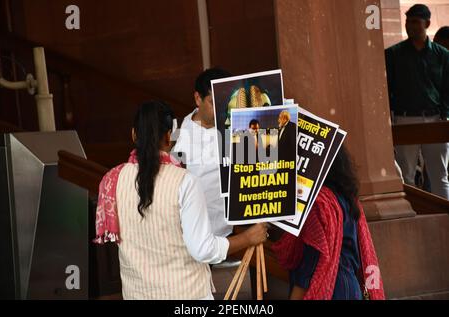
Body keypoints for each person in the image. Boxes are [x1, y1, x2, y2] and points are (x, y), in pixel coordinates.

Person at [94, 101, 268, 300]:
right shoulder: (185, 181)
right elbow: (203, 250)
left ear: (134, 134)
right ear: (169, 137)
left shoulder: (112, 180)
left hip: (137, 294)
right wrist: (248, 238)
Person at [271, 146, 385, 300]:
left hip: (331, 289)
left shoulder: (318, 205)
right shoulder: (348, 199)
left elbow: (310, 265)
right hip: (351, 287)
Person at [172, 68, 242, 268]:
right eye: (213, 102)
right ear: (197, 98)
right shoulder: (176, 134)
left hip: (227, 235)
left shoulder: (239, 131)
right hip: (185, 238)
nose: (221, 109)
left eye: (225, 102)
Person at [385, 4, 449, 199]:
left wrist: (444, 116)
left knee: (440, 175)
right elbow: (388, 89)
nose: (409, 25)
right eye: (407, 21)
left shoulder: (442, 55)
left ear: (427, 23)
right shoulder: (393, 54)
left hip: (435, 119)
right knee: (406, 175)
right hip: (405, 119)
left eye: (415, 22)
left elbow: (446, 89)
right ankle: (412, 218)